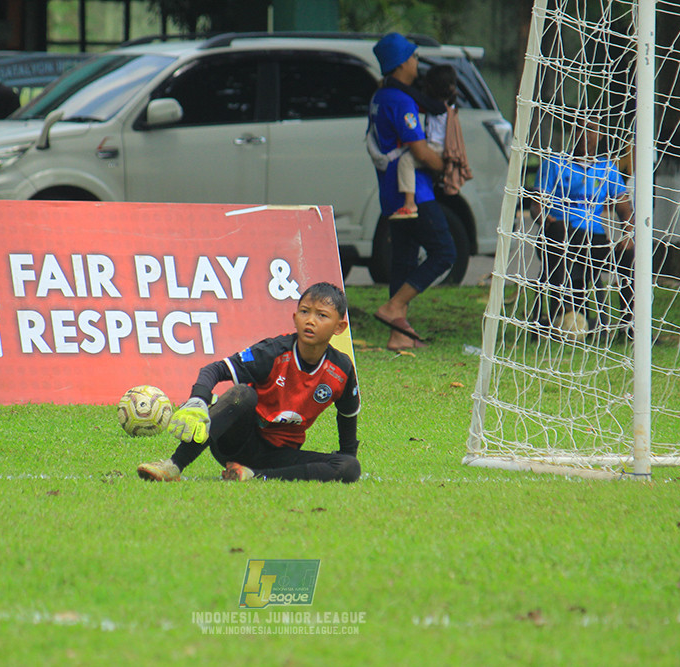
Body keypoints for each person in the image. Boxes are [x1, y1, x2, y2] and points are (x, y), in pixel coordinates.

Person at [136, 282, 362, 484]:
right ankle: (174, 465)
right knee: (242, 394)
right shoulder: (272, 352)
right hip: (236, 443)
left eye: (321, 315)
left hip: (280, 455)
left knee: (350, 467)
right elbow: (214, 369)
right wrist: (198, 400)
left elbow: (348, 414)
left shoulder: (341, 369)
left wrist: (347, 456)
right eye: (305, 312)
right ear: (295, 318)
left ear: (339, 327)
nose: (310, 320)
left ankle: (253, 475)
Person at [367, 33, 457, 351]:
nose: (417, 63)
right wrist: (445, 165)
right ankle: (393, 308)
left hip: (390, 192)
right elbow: (419, 150)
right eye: (414, 57)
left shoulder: (380, 97)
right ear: (402, 63)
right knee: (445, 252)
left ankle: (398, 336)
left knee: (404, 260)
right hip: (415, 193)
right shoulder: (402, 101)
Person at [530, 114, 635, 333]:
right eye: (580, 129)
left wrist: (628, 234)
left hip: (594, 240)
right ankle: (562, 310)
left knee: (630, 253)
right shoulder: (555, 164)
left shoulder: (606, 169)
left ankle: (630, 325)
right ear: (572, 132)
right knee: (559, 230)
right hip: (560, 235)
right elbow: (536, 205)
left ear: (600, 134)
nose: (585, 135)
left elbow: (625, 208)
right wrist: (544, 219)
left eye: (591, 129)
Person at [370, 64, 472, 218]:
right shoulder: (445, 105)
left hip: (437, 149)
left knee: (406, 161)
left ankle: (409, 203)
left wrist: (393, 83)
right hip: (437, 147)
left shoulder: (440, 106)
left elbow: (417, 97)